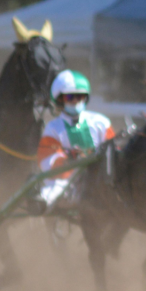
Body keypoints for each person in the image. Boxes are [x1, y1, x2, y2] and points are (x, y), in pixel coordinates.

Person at [36, 70, 115, 209]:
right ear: (60, 99)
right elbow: (47, 160)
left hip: (99, 177)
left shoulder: (101, 122)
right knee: (53, 193)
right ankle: (40, 206)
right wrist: (69, 158)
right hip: (67, 179)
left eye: (80, 96)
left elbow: (115, 152)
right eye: (70, 96)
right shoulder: (53, 128)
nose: (75, 100)